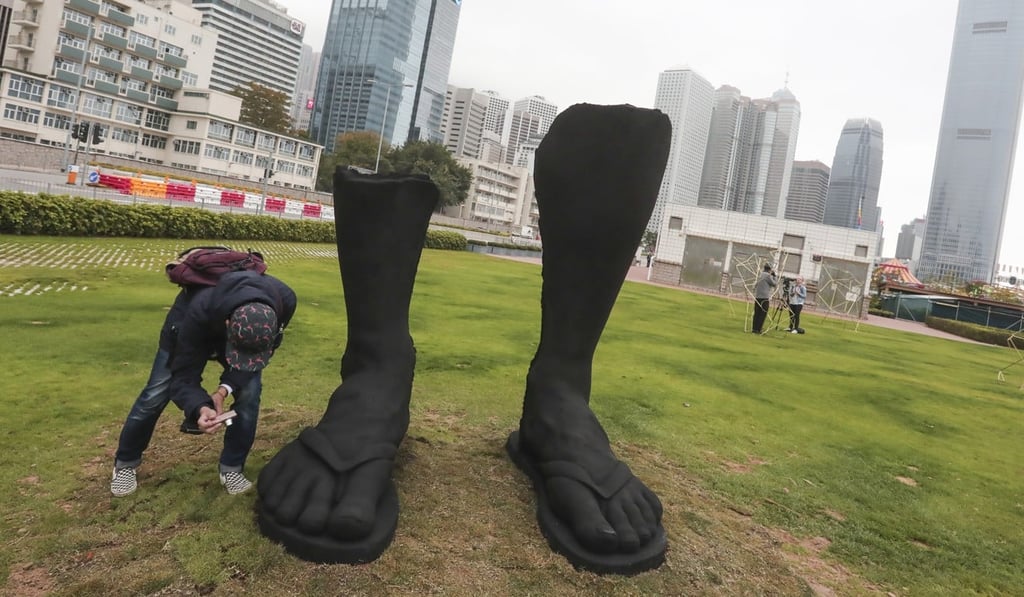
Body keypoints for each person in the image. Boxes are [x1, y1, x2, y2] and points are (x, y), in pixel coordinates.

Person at [110, 270, 296, 497]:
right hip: (191, 326)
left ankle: (231, 468)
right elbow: (184, 377)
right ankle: (125, 463)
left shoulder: (284, 299)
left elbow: (261, 352)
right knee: (156, 393)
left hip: (236, 327)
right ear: (228, 324)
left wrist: (222, 391)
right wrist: (200, 407)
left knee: (250, 393)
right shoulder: (197, 310)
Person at [751, 262, 777, 333]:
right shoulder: (768, 276)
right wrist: (774, 276)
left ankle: (754, 328)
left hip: (758, 297)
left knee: (757, 313)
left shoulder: (760, 274)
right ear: (770, 269)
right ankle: (759, 329)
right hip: (764, 298)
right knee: (762, 314)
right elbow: (774, 284)